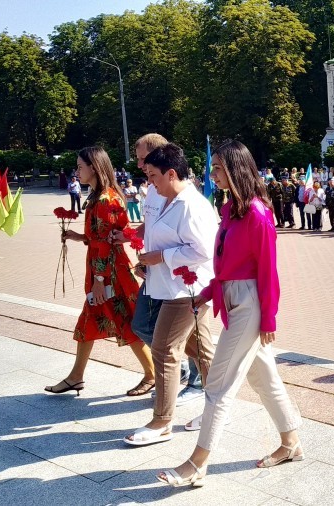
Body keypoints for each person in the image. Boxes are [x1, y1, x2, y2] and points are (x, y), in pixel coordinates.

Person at [158, 139, 303, 488]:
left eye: (219, 167)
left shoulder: (257, 213)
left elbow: (268, 270)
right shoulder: (231, 209)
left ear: (236, 169)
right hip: (232, 298)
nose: (212, 173)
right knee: (262, 377)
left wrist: (269, 318)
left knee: (219, 385)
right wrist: (208, 292)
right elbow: (225, 263)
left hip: (251, 303)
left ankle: (198, 462)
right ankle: (291, 443)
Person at [124, 144, 217, 447]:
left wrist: (161, 258)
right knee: (200, 350)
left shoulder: (192, 204)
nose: (150, 183)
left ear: (172, 173)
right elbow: (160, 238)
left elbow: (202, 250)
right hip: (168, 285)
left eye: (153, 177)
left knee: (164, 350)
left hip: (187, 289)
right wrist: (149, 265)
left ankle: (162, 421)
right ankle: (218, 408)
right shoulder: (169, 197)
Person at [45, 147, 154, 397]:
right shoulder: (100, 196)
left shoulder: (105, 199)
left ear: (93, 167)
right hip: (104, 268)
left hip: (109, 273)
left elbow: (106, 242)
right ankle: (76, 377)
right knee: (88, 322)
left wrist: (98, 280)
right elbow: (101, 236)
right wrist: (78, 236)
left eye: (80, 166)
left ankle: (152, 373)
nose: (77, 171)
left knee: (126, 321)